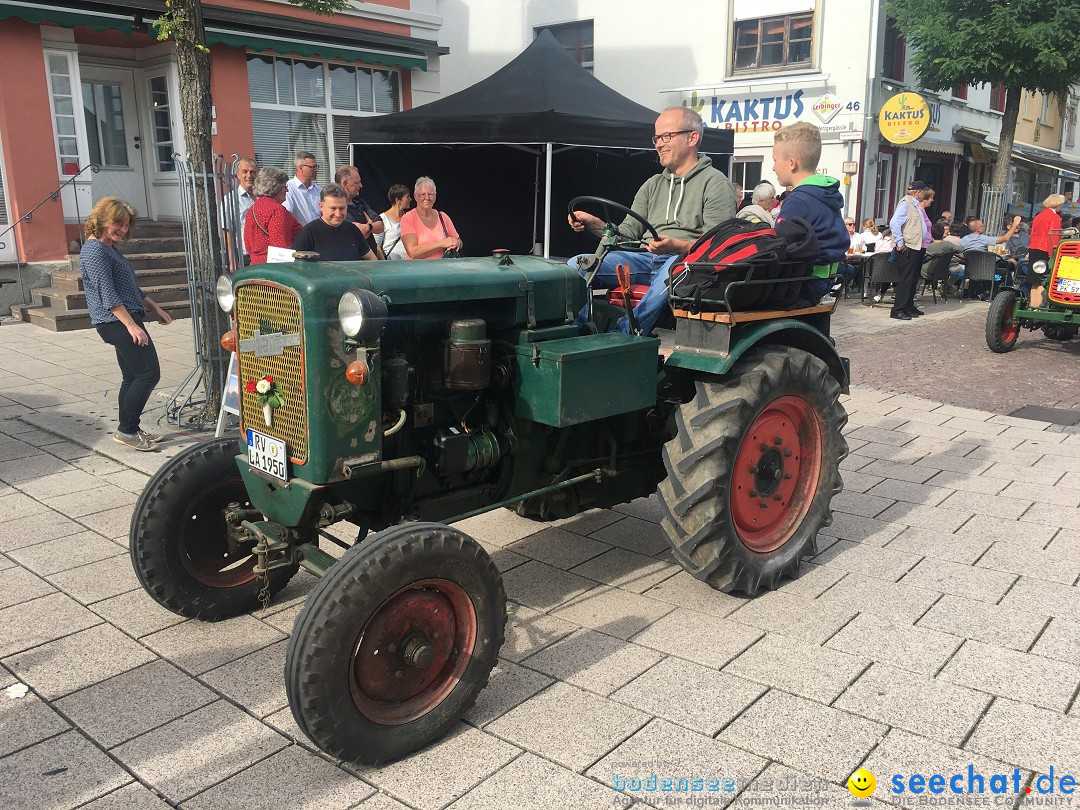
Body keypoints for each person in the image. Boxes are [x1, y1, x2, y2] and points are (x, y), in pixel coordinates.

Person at [567, 106, 736, 335]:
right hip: (643, 259)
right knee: (575, 266)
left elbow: (718, 246)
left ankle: (623, 337)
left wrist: (677, 246)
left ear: (692, 138)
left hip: (687, 264)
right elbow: (626, 233)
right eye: (656, 137)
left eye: (667, 136)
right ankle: (578, 333)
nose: (658, 144)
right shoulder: (652, 184)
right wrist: (594, 222)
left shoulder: (715, 183)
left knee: (671, 271)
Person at [79, 197, 173, 452]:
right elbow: (108, 295)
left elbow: (130, 287)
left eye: (127, 224)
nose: (123, 229)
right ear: (102, 221)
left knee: (132, 376)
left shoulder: (108, 247)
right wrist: (132, 326)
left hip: (122, 319)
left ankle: (130, 428)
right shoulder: (95, 251)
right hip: (116, 322)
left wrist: (155, 307)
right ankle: (127, 431)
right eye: (118, 224)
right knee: (148, 374)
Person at [771, 121, 848, 304]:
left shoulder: (798, 201)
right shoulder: (825, 192)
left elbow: (781, 245)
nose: (773, 167)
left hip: (806, 281)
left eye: (775, 160)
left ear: (792, 164)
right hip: (828, 277)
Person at [291, 183, 377, 261]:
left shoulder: (353, 230)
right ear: (321, 207)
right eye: (333, 208)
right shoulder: (308, 233)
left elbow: (371, 258)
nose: (338, 214)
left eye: (342, 208)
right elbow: (294, 266)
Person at [887, 180, 927, 320]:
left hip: (916, 245)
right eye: (923, 191)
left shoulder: (914, 204)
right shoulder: (906, 204)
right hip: (908, 246)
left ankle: (908, 306)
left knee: (913, 278)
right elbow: (895, 223)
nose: (924, 194)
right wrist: (900, 242)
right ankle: (898, 309)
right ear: (918, 192)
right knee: (906, 279)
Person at [245, 167, 302, 265]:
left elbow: (248, 244)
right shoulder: (277, 210)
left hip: (254, 267)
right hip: (273, 271)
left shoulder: (252, 209)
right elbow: (281, 249)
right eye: (285, 186)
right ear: (276, 187)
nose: (287, 190)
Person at [400, 176, 463, 260]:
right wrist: (442, 244)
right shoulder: (408, 218)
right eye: (422, 194)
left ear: (435, 197)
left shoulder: (443, 216)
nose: (427, 198)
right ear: (415, 197)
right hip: (417, 271)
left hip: (443, 270)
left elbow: (459, 241)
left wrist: (457, 243)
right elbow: (413, 252)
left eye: (430, 194)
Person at [960, 215, 1021, 300]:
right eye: (983, 226)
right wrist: (1015, 225)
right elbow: (1005, 238)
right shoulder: (983, 239)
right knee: (1005, 271)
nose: (984, 227)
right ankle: (1009, 294)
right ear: (979, 229)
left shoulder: (964, 239)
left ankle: (985, 292)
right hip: (985, 269)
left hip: (970, 269)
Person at [336, 166, 384, 258]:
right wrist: (370, 223)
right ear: (345, 183)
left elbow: (381, 226)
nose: (361, 186)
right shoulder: (339, 209)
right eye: (357, 182)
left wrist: (369, 226)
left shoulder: (360, 202)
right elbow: (357, 231)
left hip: (370, 262)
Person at [1028, 193, 1064, 307]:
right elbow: (1054, 235)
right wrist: (1055, 250)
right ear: (1057, 204)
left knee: (1034, 280)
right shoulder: (1055, 217)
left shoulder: (1038, 216)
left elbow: (1032, 232)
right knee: (1043, 280)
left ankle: (1032, 305)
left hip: (1034, 247)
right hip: (1046, 248)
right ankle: (1038, 307)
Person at [221, 157, 257, 267]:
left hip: (263, 255)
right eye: (245, 172)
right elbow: (227, 232)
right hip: (244, 257)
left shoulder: (262, 197)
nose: (249, 176)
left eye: (252, 172)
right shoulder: (230, 200)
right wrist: (232, 261)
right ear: (238, 175)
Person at [921, 221, 962, 294]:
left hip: (926, 272)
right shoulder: (948, 245)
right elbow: (961, 249)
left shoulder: (928, 247)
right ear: (943, 233)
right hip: (942, 273)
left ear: (931, 234)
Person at [283, 151, 322, 226]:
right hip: (300, 235)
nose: (316, 170)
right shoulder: (288, 188)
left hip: (318, 234)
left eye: (316, 166)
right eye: (312, 167)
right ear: (300, 168)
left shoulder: (319, 190)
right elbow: (287, 213)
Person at [376, 184, 412, 260]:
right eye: (407, 197)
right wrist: (385, 265)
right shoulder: (382, 219)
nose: (410, 199)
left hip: (409, 264)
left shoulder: (410, 218)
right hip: (392, 264)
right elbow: (377, 246)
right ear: (398, 200)